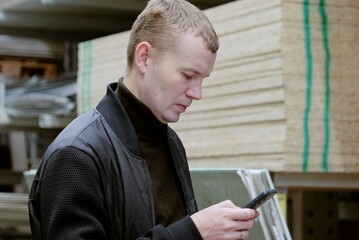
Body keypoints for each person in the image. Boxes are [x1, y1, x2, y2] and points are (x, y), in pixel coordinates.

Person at [28, 0, 259, 239]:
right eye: (188, 75)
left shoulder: (169, 142)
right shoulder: (76, 155)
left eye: (203, 79)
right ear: (144, 57)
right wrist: (192, 232)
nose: (197, 93)